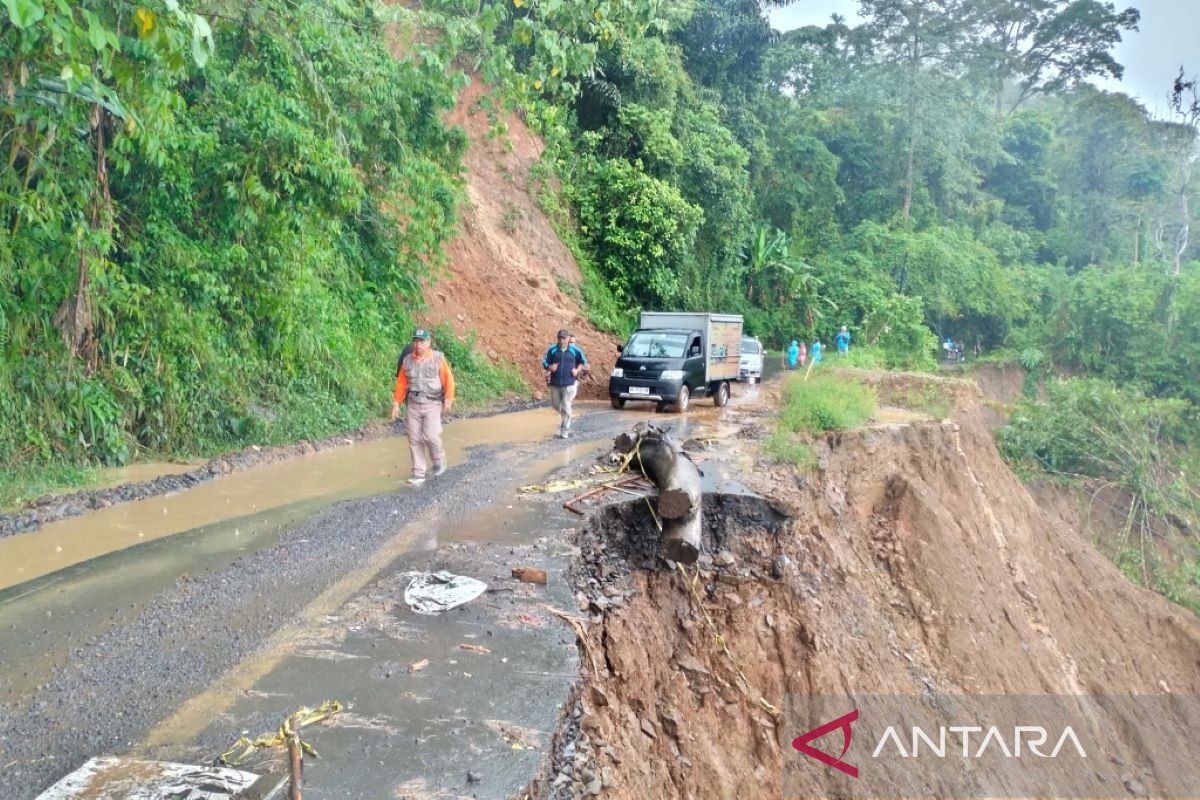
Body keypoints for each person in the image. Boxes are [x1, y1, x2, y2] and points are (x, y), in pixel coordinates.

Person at [391, 328, 455, 486]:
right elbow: (401, 384)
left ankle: (439, 459)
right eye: (416, 341)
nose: (418, 344)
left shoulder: (438, 359)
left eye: (422, 341)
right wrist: (396, 403)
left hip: (432, 403)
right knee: (414, 438)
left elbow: (449, 380)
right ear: (413, 342)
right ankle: (418, 473)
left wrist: (448, 400)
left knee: (430, 436)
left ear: (428, 343)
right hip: (413, 403)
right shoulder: (407, 360)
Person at [543, 329, 587, 439]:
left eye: (564, 338)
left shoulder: (575, 350)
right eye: (560, 338)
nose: (562, 341)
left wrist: (577, 370)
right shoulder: (552, 350)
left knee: (566, 405)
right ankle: (566, 416)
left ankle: (564, 430)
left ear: (568, 339)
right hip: (555, 383)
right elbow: (544, 362)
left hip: (569, 383)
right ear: (557, 339)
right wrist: (549, 367)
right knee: (556, 405)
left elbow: (582, 362)